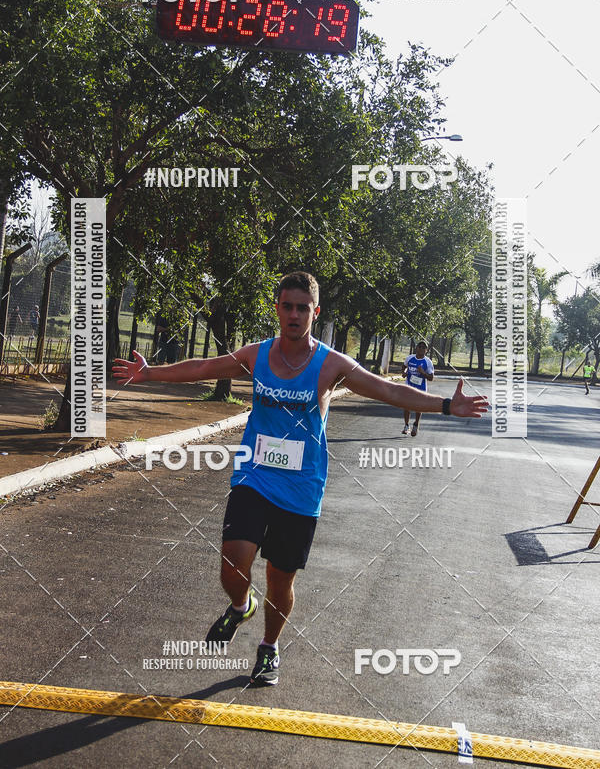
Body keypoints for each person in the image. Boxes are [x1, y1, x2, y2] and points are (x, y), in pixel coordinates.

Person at [113, 272, 488, 687]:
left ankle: (269, 648)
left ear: (315, 312)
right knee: (232, 563)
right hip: (254, 476)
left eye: (302, 307)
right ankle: (240, 606)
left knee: (280, 576)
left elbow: (388, 390)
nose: (294, 314)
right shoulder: (257, 355)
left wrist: (445, 407)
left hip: (302, 487)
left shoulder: (331, 364)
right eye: (287, 306)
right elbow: (205, 366)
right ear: (277, 308)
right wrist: (150, 374)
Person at [401, 341, 434, 436]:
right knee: (406, 406)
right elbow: (404, 366)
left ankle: (416, 424)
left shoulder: (428, 362)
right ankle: (406, 425)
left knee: (418, 407)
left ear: (426, 350)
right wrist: (404, 373)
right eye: (420, 347)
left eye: (424, 347)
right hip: (409, 386)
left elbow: (431, 378)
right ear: (416, 348)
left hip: (421, 388)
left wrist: (423, 372)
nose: (421, 349)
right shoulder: (410, 358)